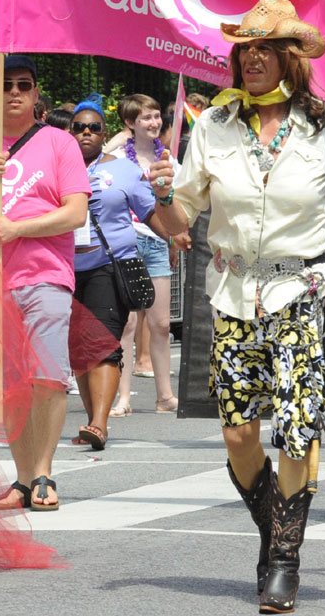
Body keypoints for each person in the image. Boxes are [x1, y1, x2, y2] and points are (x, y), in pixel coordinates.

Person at [148, 0, 325, 612]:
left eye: (266, 48)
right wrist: (163, 194)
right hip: (232, 294)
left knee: (296, 432)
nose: (252, 58)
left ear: (291, 58)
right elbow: (180, 221)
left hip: (303, 292)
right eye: (245, 48)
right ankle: (278, 527)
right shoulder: (213, 127)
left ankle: (283, 561)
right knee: (239, 433)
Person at [0, 53, 90, 512]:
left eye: (23, 85)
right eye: (5, 84)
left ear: (35, 93)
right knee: (11, 385)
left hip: (47, 275)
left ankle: (45, 471)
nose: (14, 93)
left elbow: (76, 211)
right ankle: (24, 479)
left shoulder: (59, 143)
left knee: (47, 376)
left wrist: (18, 229)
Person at [67, 102, 161, 449]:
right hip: (66, 269)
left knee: (104, 345)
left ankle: (99, 423)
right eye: (79, 127)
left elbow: (150, 212)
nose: (86, 133)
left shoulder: (124, 170)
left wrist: (174, 234)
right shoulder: (57, 170)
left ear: (104, 133)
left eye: (93, 127)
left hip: (109, 265)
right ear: (70, 133)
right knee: (78, 350)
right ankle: (92, 421)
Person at [111, 93, 180, 415]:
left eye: (156, 116)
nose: (154, 123)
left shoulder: (168, 157)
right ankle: (122, 397)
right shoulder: (115, 158)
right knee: (126, 324)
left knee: (162, 324)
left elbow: (177, 206)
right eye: (145, 118)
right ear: (129, 124)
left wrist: (175, 238)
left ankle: (165, 397)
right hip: (126, 243)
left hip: (157, 243)